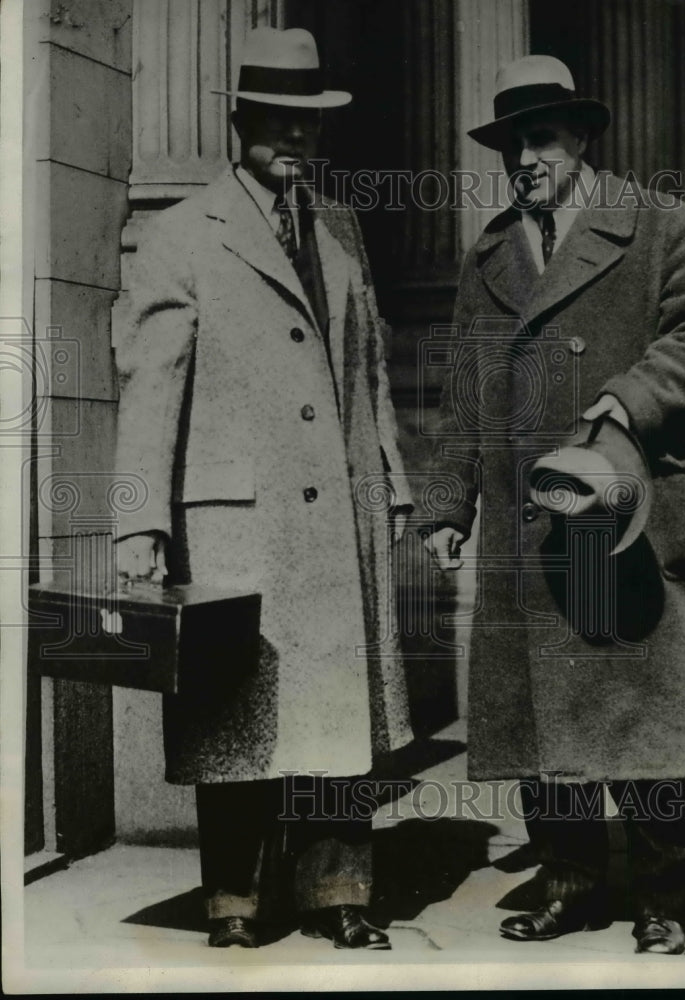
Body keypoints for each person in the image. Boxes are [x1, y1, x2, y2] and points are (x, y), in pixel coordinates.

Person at [423, 55, 685, 955]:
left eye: (541, 140)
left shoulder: (656, 222)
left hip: (627, 507)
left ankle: (663, 897)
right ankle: (568, 883)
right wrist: (446, 505)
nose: (524, 161)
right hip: (530, 517)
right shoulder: (490, 253)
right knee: (543, 714)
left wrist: (626, 400)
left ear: (582, 138)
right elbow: (466, 394)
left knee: (644, 710)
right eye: (511, 146)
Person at [112, 27, 413, 950]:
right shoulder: (180, 234)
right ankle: (233, 901)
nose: (294, 137)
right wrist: (138, 521)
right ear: (238, 122)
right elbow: (151, 385)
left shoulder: (340, 227)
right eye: (276, 120)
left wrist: (393, 479)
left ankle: (339, 893)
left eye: (307, 123)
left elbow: (369, 367)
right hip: (236, 523)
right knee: (236, 715)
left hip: (337, 512)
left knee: (333, 709)